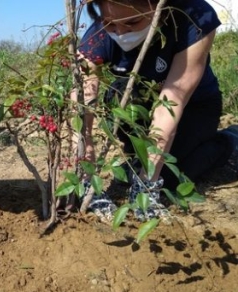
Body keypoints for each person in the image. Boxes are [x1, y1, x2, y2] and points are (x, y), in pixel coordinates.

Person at [76, 0, 238, 222]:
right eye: (110, 24)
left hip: (194, 107)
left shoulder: (194, 18)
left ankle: (229, 140)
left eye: (133, 21)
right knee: (118, 95)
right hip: (140, 103)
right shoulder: (99, 34)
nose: (121, 32)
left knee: (169, 177)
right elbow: (82, 104)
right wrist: (87, 173)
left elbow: (172, 102)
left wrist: (148, 184)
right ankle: (139, 157)